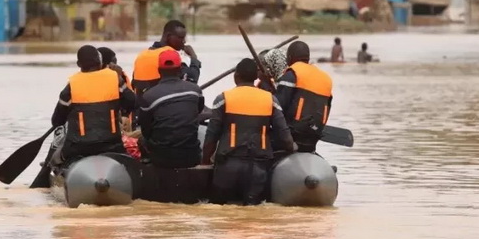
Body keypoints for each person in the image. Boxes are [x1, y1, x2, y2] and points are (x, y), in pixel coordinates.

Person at [202, 58, 295, 205]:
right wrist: (293, 149)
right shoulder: (271, 100)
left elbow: (211, 136)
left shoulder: (223, 99)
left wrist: (205, 161)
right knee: (253, 211)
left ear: (236, 77)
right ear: (256, 77)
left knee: (219, 209)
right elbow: (285, 137)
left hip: (227, 167)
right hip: (257, 169)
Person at [51, 45, 136, 163]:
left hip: (78, 148)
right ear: (100, 62)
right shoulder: (115, 79)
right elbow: (132, 102)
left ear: (78, 64)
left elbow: (57, 121)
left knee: (55, 159)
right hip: (112, 145)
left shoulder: (71, 86)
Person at [137, 49, 204, 168]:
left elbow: (146, 131)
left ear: (159, 71)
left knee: (142, 140)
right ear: (180, 70)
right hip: (191, 156)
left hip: (162, 158)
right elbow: (198, 110)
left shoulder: (148, 96)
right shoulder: (195, 90)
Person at [276, 41, 333, 153]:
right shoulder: (326, 79)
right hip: (314, 136)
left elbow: (278, 107)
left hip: (293, 135)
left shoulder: (292, 74)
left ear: (290, 57)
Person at [131, 20, 201, 99]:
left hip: (141, 106)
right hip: (160, 104)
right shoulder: (169, 55)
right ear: (168, 36)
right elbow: (192, 80)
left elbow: (134, 84)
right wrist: (194, 57)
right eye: (180, 38)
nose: (184, 41)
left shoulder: (142, 55)